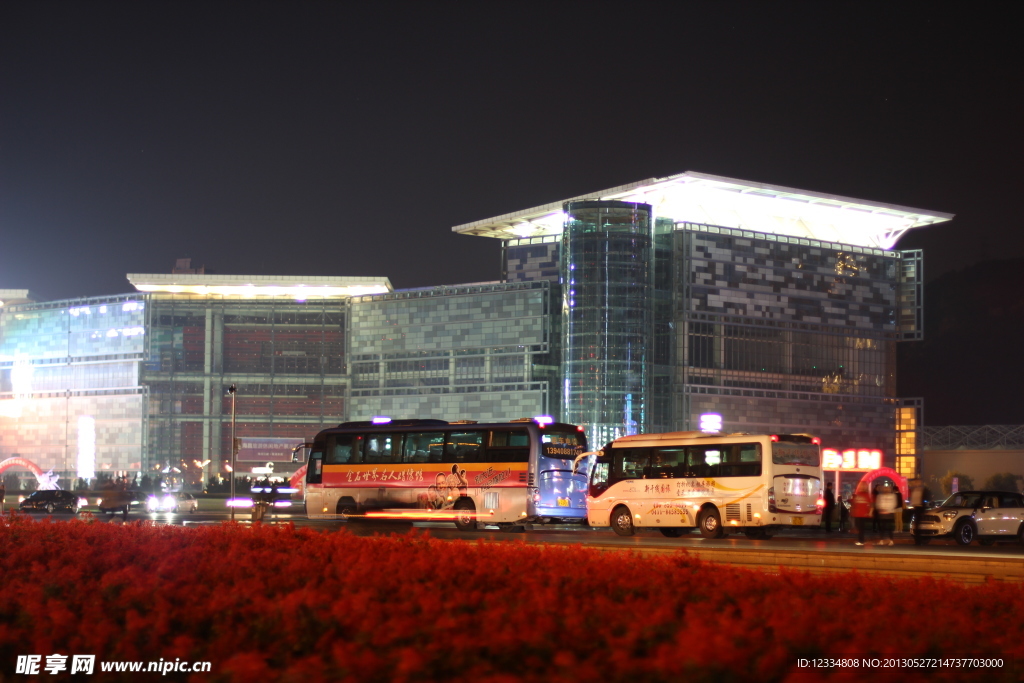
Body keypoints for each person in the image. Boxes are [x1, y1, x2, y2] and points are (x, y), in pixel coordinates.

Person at [908, 478, 932, 543]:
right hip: (915, 508)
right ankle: (917, 539)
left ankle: (920, 539)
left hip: (921, 508)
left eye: (917, 482)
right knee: (916, 525)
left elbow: (927, 498)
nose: (916, 483)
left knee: (920, 524)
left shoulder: (923, 490)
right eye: (915, 482)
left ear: (920, 482)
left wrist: (924, 504)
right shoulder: (914, 490)